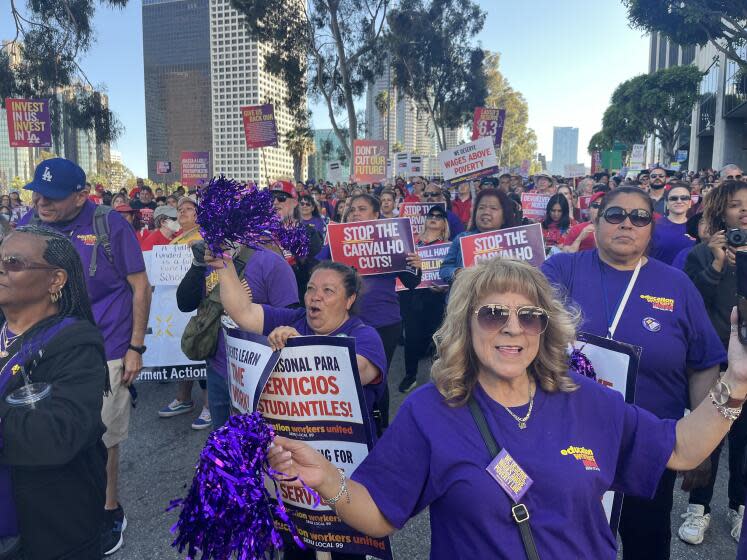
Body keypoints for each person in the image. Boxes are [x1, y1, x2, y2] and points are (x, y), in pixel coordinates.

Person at [268, 256, 747, 559]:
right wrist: (327, 479)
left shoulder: (587, 399)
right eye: (494, 313)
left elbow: (681, 449)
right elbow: (379, 514)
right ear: (465, 325)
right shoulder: (430, 412)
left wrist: (737, 384)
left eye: (529, 317)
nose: (512, 328)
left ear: (546, 329)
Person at [540, 186, 726, 560]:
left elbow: (703, 364)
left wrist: (701, 446)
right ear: (596, 221)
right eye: (615, 215)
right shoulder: (562, 270)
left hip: (649, 443)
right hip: (570, 438)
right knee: (567, 540)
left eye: (640, 217)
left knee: (647, 540)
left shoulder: (677, 285)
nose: (627, 223)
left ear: (650, 229)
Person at [18, 158, 152, 556]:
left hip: (106, 347)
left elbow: (140, 288)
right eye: (37, 193)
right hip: (46, 346)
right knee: (49, 430)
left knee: (104, 434)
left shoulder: (109, 225)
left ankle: (109, 510)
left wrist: (135, 347)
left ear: (81, 195)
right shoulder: (31, 222)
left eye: (53, 197)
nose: (42, 202)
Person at [0, 226, 109, 559]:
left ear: (56, 280)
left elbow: (58, 435)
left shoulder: (75, 342)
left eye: (13, 262)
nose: (1, 268)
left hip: (48, 528)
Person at [679, 179, 747, 544]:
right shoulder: (702, 253)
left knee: (744, 443)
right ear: (722, 209)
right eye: (737, 205)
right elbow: (690, 302)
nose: (745, 211)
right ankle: (698, 508)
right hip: (714, 361)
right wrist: (718, 263)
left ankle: (739, 507)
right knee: (711, 438)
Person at [398, 205, 450, 393]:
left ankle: (436, 378)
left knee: (433, 336)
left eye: (439, 216)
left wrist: (446, 287)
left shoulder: (448, 247)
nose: (434, 218)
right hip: (410, 294)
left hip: (434, 296)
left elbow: (449, 272)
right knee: (411, 336)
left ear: (444, 224)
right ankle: (410, 375)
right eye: (431, 215)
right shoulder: (411, 243)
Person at [270, 182, 323, 297]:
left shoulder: (309, 234)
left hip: (297, 304)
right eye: (271, 198)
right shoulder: (264, 235)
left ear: (294, 202)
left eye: (281, 198)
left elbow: (317, 274)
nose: (275, 202)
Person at [650, 182, 695, 265]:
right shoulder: (653, 226)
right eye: (673, 198)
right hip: (660, 275)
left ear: (689, 203)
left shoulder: (696, 227)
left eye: (684, 198)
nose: (679, 201)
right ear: (667, 204)